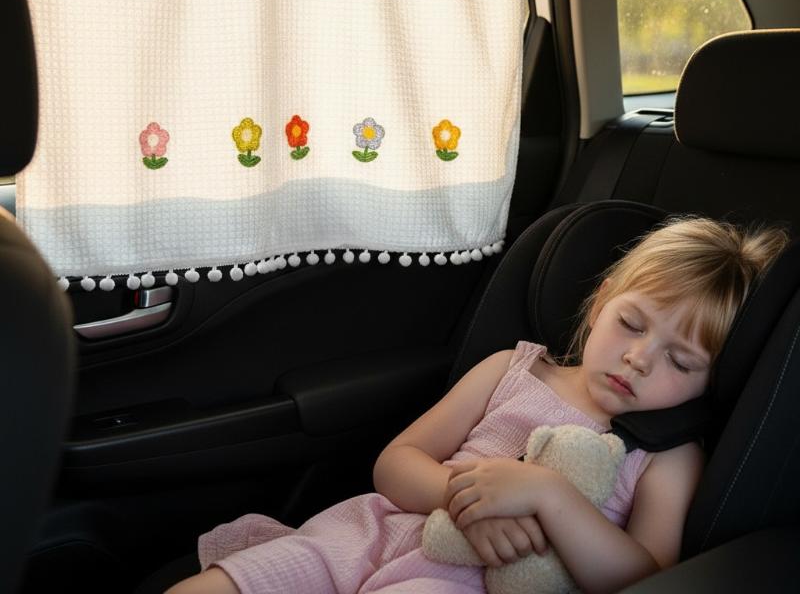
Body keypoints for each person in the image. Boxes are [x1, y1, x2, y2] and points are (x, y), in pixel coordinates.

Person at [166, 217, 788, 594]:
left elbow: (648, 577)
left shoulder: (667, 456)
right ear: (601, 303)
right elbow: (396, 462)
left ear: (713, 378)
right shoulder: (515, 368)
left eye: (682, 360)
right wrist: (463, 503)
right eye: (631, 323)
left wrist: (550, 497)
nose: (639, 359)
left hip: (467, 580)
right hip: (372, 533)